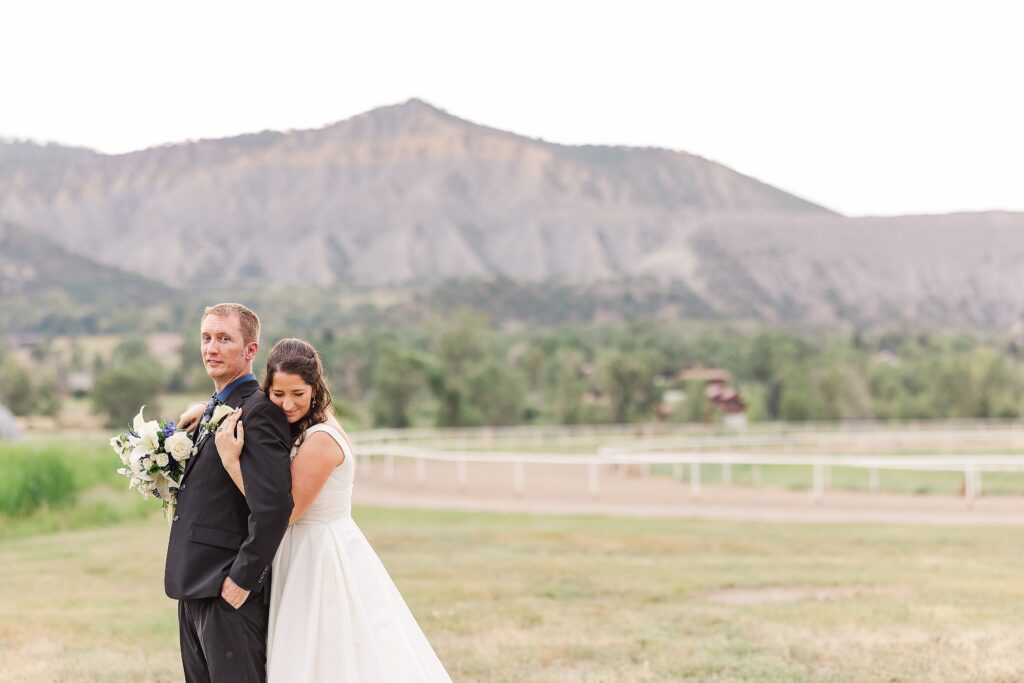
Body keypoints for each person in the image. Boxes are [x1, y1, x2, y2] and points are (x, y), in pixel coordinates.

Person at [181, 338, 452, 682]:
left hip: (320, 554)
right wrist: (205, 408)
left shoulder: (322, 439)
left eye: (298, 393)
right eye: (278, 394)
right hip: (294, 551)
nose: (288, 404)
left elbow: (287, 512)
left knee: (328, 653)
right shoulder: (298, 427)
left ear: (315, 388)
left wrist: (232, 463)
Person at [165, 303, 294, 683]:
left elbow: (274, 507)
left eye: (224, 339)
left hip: (228, 592)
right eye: (206, 338)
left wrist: (242, 579)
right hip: (192, 585)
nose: (211, 348)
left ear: (250, 351)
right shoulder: (212, 408)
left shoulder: (260, 412)